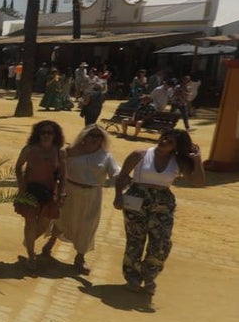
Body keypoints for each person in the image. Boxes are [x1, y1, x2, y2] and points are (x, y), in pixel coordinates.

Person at [113, 129, 204, 305]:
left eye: (170, 141)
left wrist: (197, 160)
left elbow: (198, 182)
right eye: (164, 138)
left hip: (163, 202)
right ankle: (132, 276)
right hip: (137, 198)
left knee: (161, 242)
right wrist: (118, 195)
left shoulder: (178, 161)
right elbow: (122, 176)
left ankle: (149, 275)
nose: (164, 142)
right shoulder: (139, 154)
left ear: (176, 146)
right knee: (135, 239)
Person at [40, 125, 118, 275]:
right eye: (91, 135)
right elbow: (54, 166)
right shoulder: (70, 151)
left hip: (92, 195)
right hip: (69, 191)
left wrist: (122, 178)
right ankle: (50, 243)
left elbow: (115, 172)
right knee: (61, 219)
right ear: (84, 136)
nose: (94, 139)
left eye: (98, 136)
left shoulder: (106, 156)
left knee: (87, 226)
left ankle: (80, 257)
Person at [14, 120, 67, 271]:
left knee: (43, 226)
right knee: (30, 223)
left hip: (50, 193)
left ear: (55, 135)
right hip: (29, 191)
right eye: (43, 132)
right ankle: (31, 256)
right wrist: (20, 183)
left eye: (49, 133)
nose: (46, 135)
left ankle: (28, 240)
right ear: (38, 134)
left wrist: (63, 192)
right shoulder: (29, 149)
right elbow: (18, 166)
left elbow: (63, 175)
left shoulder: (60, 152)